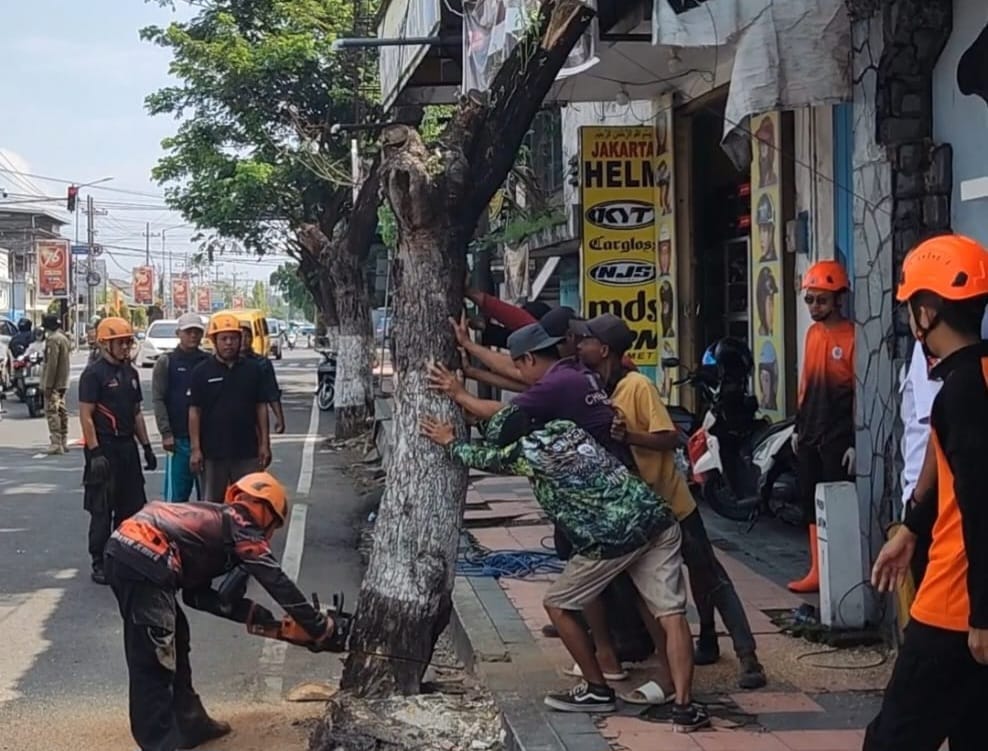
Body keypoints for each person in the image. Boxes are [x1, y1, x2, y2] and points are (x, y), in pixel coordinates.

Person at [420, 405, 709, 731]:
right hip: (655, 518)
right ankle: (685, 706)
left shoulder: (526, 452)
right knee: (671, 614)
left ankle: (597, 689)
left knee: (558, 604)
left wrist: (450, 441)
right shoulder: (565, 426)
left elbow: (488, 459)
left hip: (611, 538)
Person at [576, 313, 766, 691]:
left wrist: (630, 436)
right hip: (639, 512)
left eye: (586, 341)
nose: (580, 346)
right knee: (671, 585)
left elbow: (670, 437)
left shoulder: (637, 386)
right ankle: (702, 643)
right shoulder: (602, 387)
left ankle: (748, 657)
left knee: (709, 577)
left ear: (605, 349)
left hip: (671, 506)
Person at [103, 471, 339, 751]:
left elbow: (196, 595)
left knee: (176, 637)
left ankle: (191, 723)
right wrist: (317, 626)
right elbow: (275, 579)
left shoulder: (216, 521)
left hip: (131, 552)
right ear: (267, 511)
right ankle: (159, 744)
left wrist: (251, 614)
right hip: (147, 556)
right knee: (155, 657)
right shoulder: (242, 524)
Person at [866, 233, 988, 750]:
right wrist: (911, 530)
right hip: (969, 607)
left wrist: (982, 617)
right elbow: (954, 481)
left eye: (913, 305)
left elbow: (982, 507)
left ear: (929, 309)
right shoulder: (976, 376)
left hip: (955, 609)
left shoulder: (959, 393)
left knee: (893, 740)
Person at [788, 260, 855, 593]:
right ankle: (816, 569)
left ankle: (836, 571)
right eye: (810, 300)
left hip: (838, 435)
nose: (815, 307)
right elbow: (805, 385)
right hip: (810, 431)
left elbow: (859, 392)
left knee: (836, 501)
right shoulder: (812, 334)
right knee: (809, 502)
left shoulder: (853, 336)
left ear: (838, 299)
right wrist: (798, 429)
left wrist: (857, 441)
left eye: (822, 300)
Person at [79, 316, 157, 585]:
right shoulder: (93, 375)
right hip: (103, 448)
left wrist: (146, 446)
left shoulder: (131, 374)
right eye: (120, 343)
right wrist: (95, 451)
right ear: (105, 344)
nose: (125, 347)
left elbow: (136, 414)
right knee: (102, 510)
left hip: (127, 448)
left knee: (132, 507)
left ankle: (124, 557)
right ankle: (99, 561)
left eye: (127, 342)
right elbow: (86, 415)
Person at [189, 313, 271, 502]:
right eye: (223, 338)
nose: (228, 343)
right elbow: (194, 411)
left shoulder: (253, 370)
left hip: (247, 451)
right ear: (214, 341)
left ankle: (245, 533)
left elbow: (261, 407)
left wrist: (265, 444)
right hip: (212, 452)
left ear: (240, 340)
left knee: (249, 502)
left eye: (233, 338)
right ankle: (217, 533)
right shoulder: (201, 372)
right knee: (212, 506)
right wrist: (195, 449)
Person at [152, 313, 209, 502]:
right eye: (188, 331)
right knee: (176, 500)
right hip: (177, 440)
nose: (193, 335)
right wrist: (165, 432)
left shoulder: (209, 362)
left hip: (208, 440)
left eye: (197, 332)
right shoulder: (166, 362)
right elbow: (158, 399)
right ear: (179, 333)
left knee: (209, 499)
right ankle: (173, 533)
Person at [239, 322, 285, 435]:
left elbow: (272, 392)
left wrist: (279, 418)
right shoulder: (223, 364)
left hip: (255, 418)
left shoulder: (262, 363)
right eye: (240, 336)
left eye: (247, 336)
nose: (243, 340)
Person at [41, 313, 71, 455]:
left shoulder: (53, 340)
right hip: (63, 381)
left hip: (54, 382)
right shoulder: (64, 338)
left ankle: (56, 442)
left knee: (52, 411)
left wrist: (48, 385)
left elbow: (52, 364)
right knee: (61, 411)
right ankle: (63, 440)